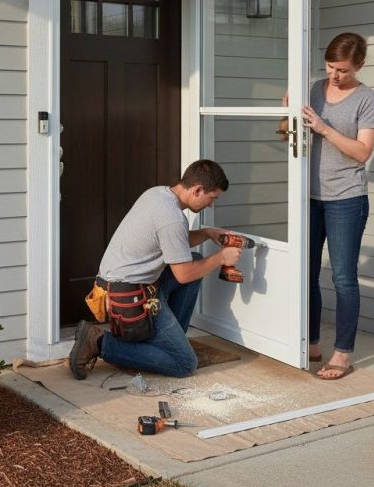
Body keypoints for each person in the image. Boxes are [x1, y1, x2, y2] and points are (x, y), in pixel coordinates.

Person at [68, 159, 243, 380]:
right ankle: (99, 342)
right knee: (185, 363)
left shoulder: (159, 194)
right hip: (130, 295)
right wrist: (221, 257)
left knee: (196, 259)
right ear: (198, 190)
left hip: (124, 283)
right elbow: (183, 274)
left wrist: (208, 233)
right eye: (212, 198)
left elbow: (174, 241)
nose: (211, 205)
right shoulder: (172, 218)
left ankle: (170, 340)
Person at [300, 32, 374, 380]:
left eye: (343, 70)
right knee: (306, 271)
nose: (334, 75)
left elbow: (362, 152)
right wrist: (286, 112)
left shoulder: (367, 99)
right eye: (331, 67)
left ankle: (343, 354)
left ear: (359, 65)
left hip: (346, 198)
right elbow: (289, 134)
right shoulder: (313, 89)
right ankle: (311, 342)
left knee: (343, 278)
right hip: (309, 197)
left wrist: (324, 128)